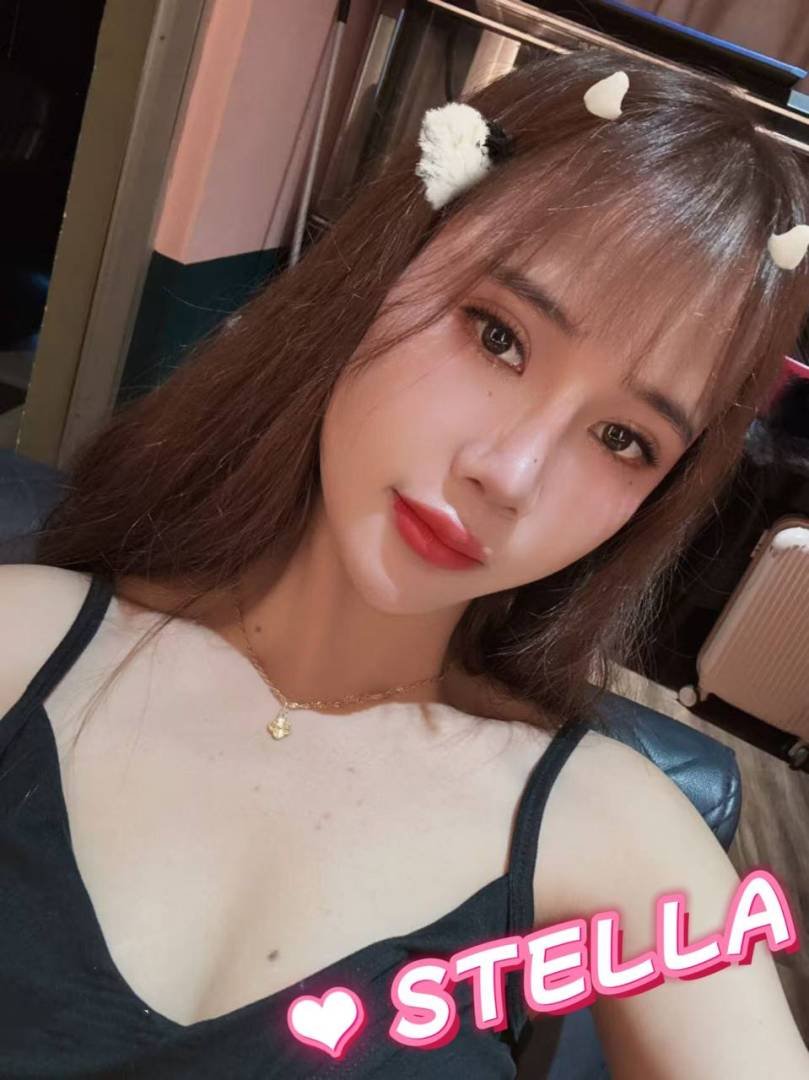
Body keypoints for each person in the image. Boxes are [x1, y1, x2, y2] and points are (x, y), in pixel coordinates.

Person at [1, 48, 808, 1079]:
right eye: (497, 336)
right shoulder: (23, 641)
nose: (507, 474)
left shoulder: (616, 836)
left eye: (622, 440)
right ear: (381, 273)